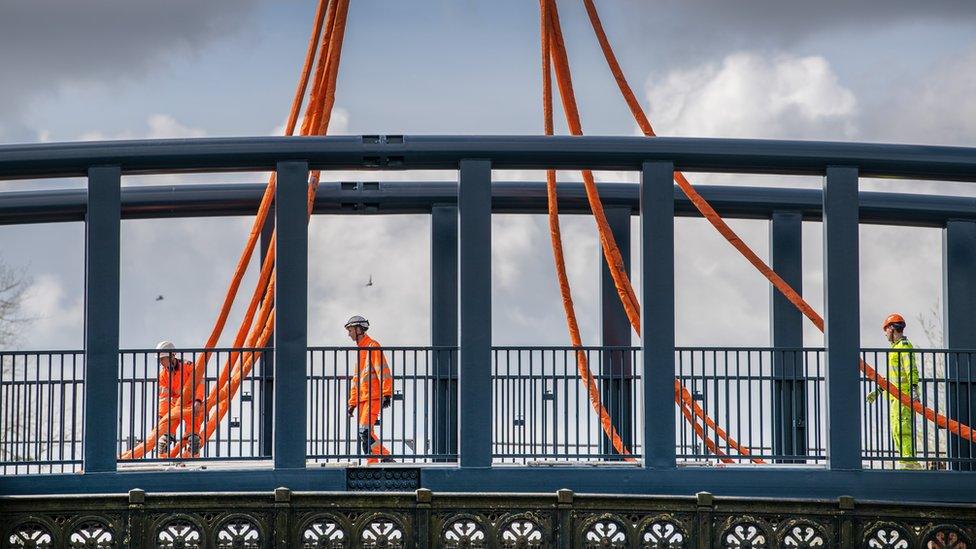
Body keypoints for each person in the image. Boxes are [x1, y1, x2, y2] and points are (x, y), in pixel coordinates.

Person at [867, 314, 921, 470]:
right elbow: (893, 376)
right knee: (897, 429)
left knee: (903, 428)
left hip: (904, 395)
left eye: (885, 330)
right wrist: (879, 390)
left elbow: (911, 369)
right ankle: (905, 460)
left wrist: (913, 389)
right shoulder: (895, 349)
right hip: (895, 396)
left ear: (892, 329)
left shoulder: (904, 346)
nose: (885, 334)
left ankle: (910, 462)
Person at [344, 316, 394, 463]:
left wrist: (386, 393)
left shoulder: (372, 346)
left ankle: (385, 456)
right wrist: (352, 403)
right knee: (365, 433)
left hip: (373, 397)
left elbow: (383, 370)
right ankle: (372, 462)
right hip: (362, 399)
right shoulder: (361, 351)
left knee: (364, 431)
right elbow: (356, 380)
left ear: (359, 329)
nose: (349, 334)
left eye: (350, 330)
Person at [155, 340, 205, 457]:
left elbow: (200, 384)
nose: (161, 362)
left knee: (193, 439)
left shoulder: (188, 366)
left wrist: (198, 400)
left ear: (172, 355)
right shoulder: (163, 375)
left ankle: (193, 462)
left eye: (162, 358)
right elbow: (163, 398)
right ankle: (163, 464)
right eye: (160, 359)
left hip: (191, 404)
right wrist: (162, 416)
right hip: (174, 406)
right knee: (164, 439)